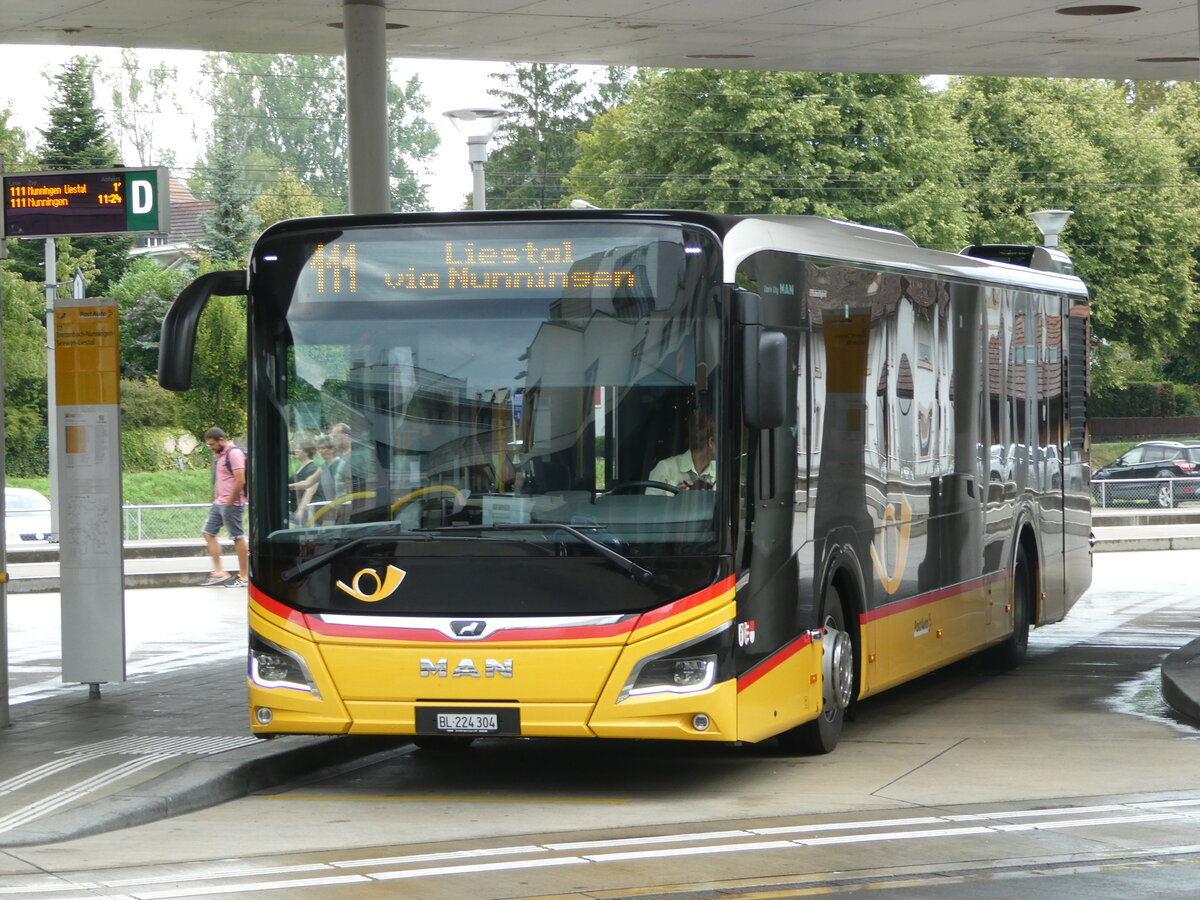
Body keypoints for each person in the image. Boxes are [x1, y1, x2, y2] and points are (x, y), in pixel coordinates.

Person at [201, 427, 249, 587]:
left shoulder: (234, 453)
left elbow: (240, 480)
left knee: (237, 537)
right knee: (208, 533)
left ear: (221, 439)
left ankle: (243, 576)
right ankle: (219, 572)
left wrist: (230, 501)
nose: (211, 447)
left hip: (232, 503)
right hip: (219, 502)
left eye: (212, 444)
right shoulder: (221, 456)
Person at [648, 412, 716, 493]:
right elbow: (648, 505)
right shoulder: (665, 469)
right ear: (711, 442)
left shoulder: (719, 473)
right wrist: (676, 500)